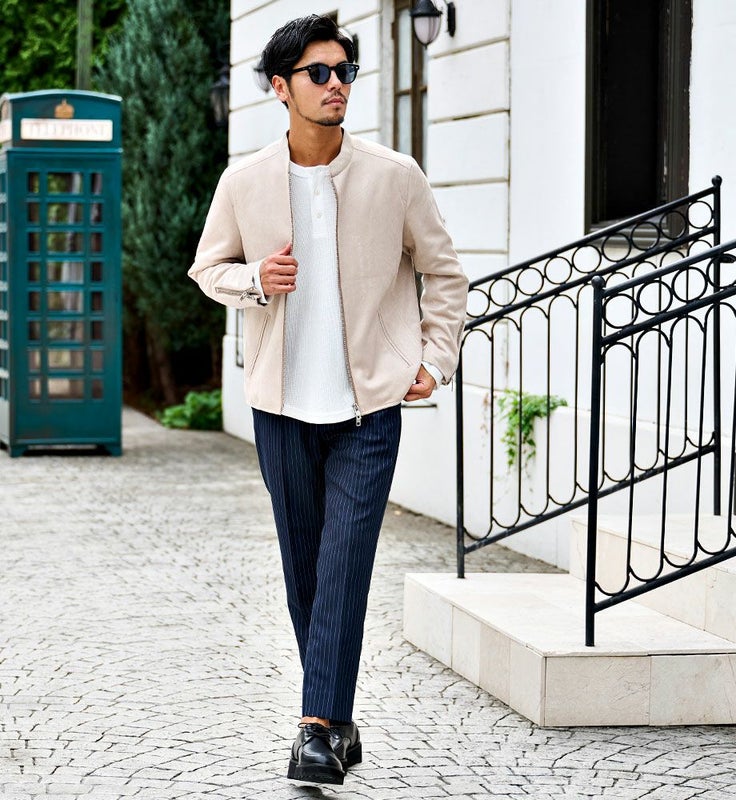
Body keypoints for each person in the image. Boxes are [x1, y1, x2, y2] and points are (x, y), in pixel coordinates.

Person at [189, 13, 467, 786]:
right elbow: (207, 269)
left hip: (367, 412)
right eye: (319, 72)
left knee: (344, 564)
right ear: (282, 88)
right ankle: (338, 721)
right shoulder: (244, 182)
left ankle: (314, 732)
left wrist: (434, 359)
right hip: (281, 410)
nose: (336, 83)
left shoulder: (394, 175)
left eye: (344, 70)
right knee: (305, 575)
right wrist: (255, 280)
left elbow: (445, 274)